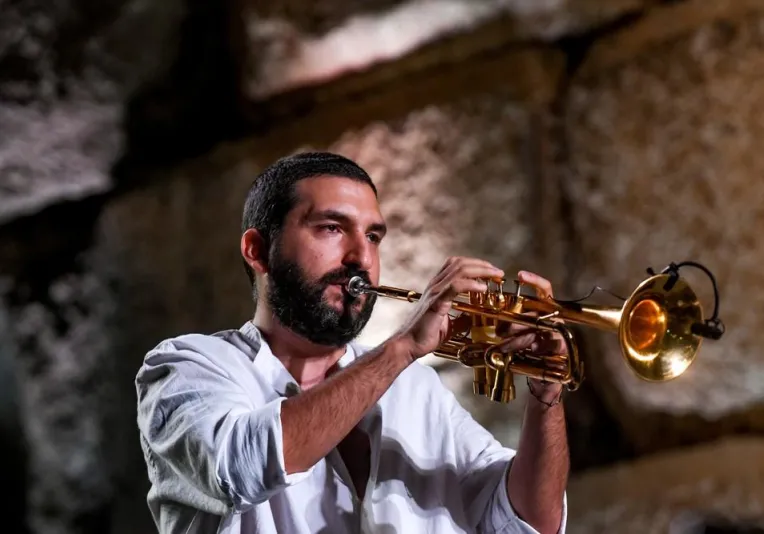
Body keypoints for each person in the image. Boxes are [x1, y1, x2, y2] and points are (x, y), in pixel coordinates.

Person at [135, 152, 569, 534]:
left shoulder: (415, 390)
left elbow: (527, 522)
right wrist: (402, 347)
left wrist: (546, 394)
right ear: (258, 250)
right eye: (331, 228)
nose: (361, 257)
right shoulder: (188, 367)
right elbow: (240, 468)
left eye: (373, 237)